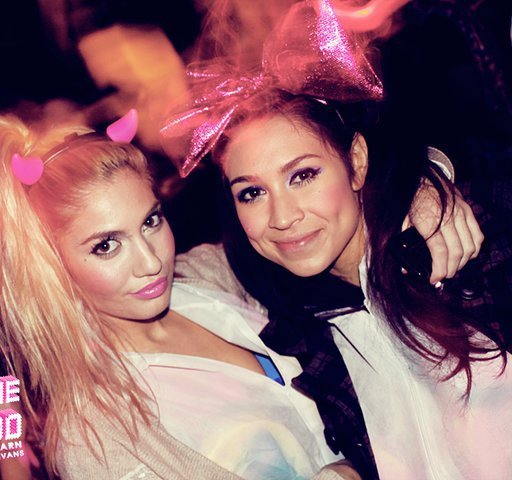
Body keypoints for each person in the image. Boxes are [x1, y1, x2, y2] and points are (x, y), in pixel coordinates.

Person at [164, 4, 512, 478]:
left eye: (303, 175)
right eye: (252, 193)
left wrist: (427, 176)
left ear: (357, 163)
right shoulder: (298, 335)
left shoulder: (476, 244)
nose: (282, 217)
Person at [0, 111, 375, 479]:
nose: (150, 261)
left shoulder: (205, 277)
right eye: (106, 245)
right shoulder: (95, 439)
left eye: (150, 221)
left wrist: (411, 201)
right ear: (52, 269)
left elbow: (319, 236)